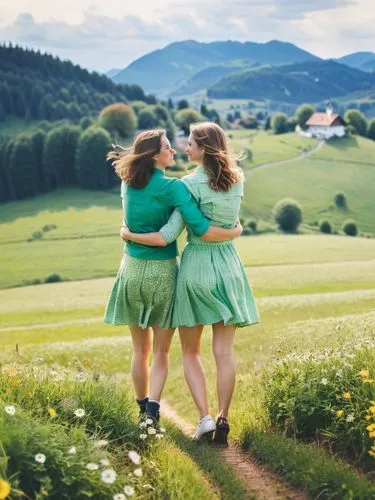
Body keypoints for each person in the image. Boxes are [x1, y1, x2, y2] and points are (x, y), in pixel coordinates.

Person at [121, 122, 260, 444]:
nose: (185, 147)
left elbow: (178, 231)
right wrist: (236, 232)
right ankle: (224, 417)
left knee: (190, 353)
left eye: (191, 143)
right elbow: (230, 223)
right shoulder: (238, 180)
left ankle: (205, 419)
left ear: (204, 147)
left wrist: (129, 233)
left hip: (196, 266)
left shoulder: (187, 185)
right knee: (224, 352)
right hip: (229, 266)